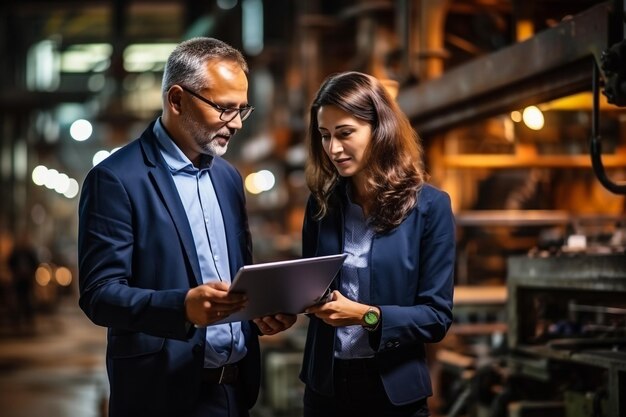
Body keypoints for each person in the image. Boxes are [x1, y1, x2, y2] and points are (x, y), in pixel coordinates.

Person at [78, 37, 296, 417]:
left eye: (243, 109)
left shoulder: (228, 179)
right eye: (225, 109)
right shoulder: (116, 179)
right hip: (161, 397)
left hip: (233, 393)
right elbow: (99, 295)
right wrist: (181, 308)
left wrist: (256, 314)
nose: (238, 124)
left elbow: (234, 281)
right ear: (176, 100)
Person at [300, 71, 455, 417]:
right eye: (324, 136)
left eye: (345, 133)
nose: (333, 149)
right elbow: (310, 287)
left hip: (394, 391)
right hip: (325, 388)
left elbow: (436, 317)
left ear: (380, 129)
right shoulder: (321, 205)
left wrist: (366, 316)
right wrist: (279, 303)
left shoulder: (430, 207)